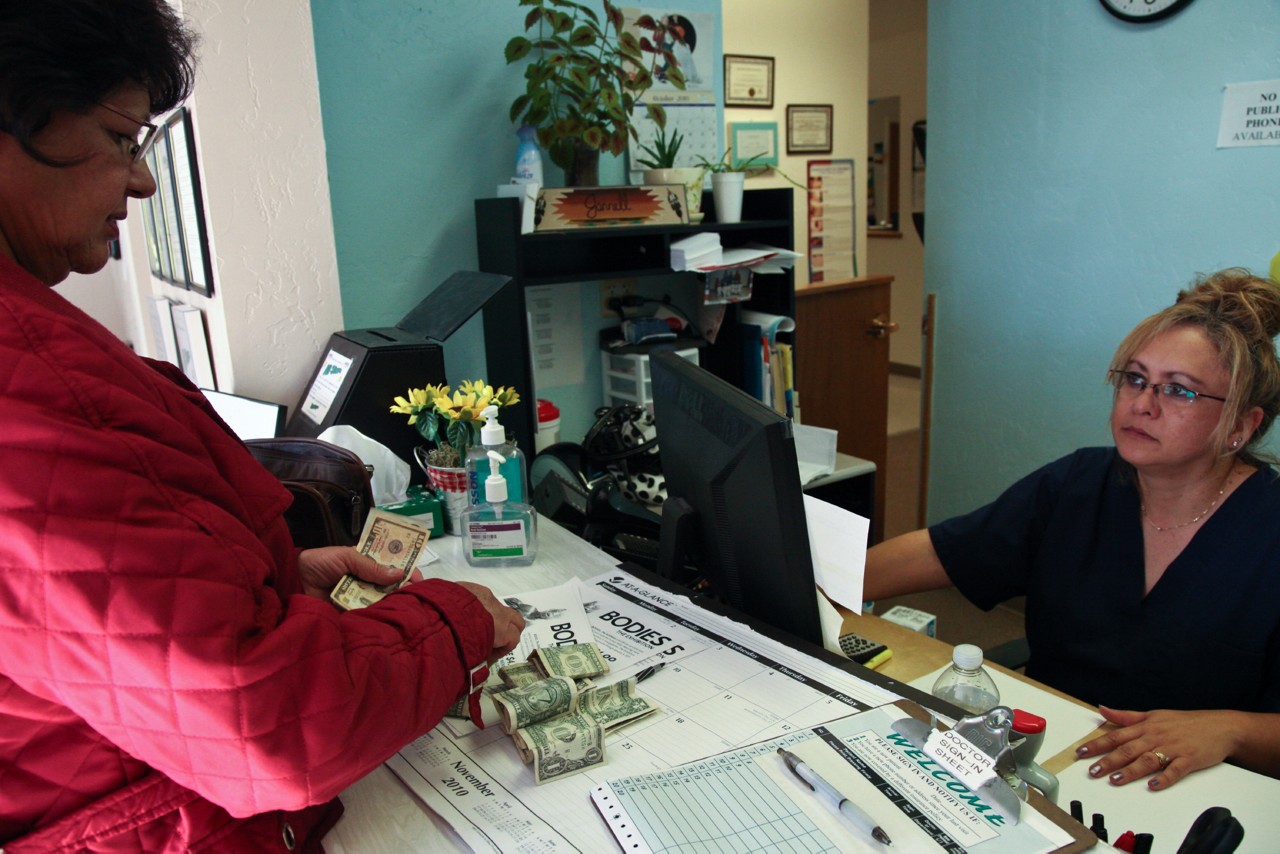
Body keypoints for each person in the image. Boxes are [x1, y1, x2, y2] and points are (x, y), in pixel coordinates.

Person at [0, 2, 524, 850]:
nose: (142, 182)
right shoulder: (32, 383)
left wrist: (268, 579)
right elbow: (265, 729)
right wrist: (452, 619)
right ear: (21, 114)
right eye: (121, 137)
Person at [866, 268, 1280, 791]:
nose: (1142, 403)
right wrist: (804, 579)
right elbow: (944, 552)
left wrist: (1233, 729)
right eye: (1135, 378)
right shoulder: (1081, 482)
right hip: (1048, 755)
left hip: (1198, 787)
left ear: (1241, 427)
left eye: (1179, 391)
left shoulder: (1268, 530)